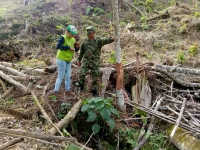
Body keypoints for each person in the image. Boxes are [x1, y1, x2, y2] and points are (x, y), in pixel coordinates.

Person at [77, 26, 114, 96]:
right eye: (87, 34)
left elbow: (106, 40)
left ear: (94, 33)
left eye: (90, 34)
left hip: (95, 61)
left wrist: (113, 39)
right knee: (82, 73)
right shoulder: (85, 42)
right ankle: (81, 87)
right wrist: (79, 60)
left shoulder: (98, 40)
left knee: (95, 76)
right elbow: (81, 53)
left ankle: (94, 91)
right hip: (86, 60)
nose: (89, 35)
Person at [53, 25, 79, 94]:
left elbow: (75, 50)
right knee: (61, 76)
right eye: (72, 33)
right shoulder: (63, 37)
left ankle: (68, 90)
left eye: (74, 34)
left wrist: (77, 47)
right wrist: (68, 47)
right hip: (61, 59)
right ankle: (56, 91)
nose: (73, 35)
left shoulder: (73, 39)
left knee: (68, 76)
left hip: (68, 60)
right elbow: (58, 46)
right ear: (67, 32)